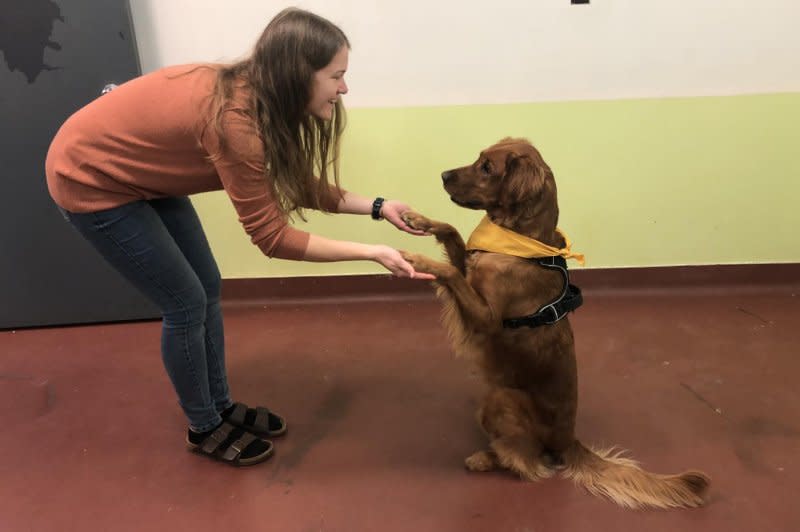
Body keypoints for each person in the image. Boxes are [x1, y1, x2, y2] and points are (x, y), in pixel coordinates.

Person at [45, 7, 433, 467]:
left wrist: (377, 206)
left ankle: (220, 406)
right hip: (90, 178)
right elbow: (273, 238)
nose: (344, 88)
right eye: (336, 76)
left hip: (139, 174)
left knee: (206, 285)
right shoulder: (234, 121)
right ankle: (204, 426)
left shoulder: (259, 97)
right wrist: (372, 253)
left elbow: (290, 180)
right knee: (185, 302)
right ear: (297, 74)